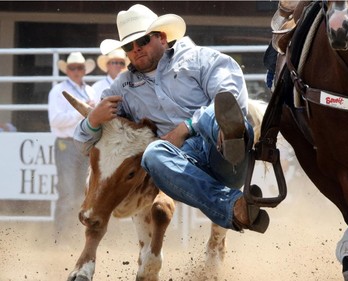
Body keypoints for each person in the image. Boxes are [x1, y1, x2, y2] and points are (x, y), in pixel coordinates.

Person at [74, 4, 269, 233]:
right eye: (128, 45)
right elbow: (85, 145)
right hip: (182, 162)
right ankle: (234, 208)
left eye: (143, 41)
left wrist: (185, 128)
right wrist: (92, 121)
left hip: (220, 146)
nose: (136, 49)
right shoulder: (122, 88)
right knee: (153, 155)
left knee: (216, 112)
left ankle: (231, 137)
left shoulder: (200, 59)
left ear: (162, 38)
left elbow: (229, 95)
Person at [48, 51, 96, 238]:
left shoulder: (90, 91)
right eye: (73, 68)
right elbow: (55, 120)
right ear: (67, 70)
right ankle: (60, 238)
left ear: (84, 70)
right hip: (67, 145)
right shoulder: (58, 90)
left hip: (84, 146)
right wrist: (81, 110)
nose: (76, 71)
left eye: (80, 68)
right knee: (68, 194)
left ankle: (73, 237)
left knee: (82, 196)